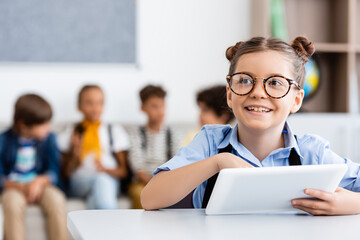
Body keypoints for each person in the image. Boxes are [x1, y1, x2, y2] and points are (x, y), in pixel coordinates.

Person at [141, 36, 360, 215]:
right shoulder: (210, 143)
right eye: (245, 80)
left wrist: (352, 204)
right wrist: (218, 162)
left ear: (296, 100)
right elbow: (149, 198)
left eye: (275, 83)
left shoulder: (313, 152)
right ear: (229, 93)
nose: (257, 92)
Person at [0, 94, 67, 240]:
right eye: (43, 124)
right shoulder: (3, 140)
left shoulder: (50, 139)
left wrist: (39, 182)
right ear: (24, 125)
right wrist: (20, 187)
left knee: (56, 199)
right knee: (11, 203)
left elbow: (54, 171)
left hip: (41, 185)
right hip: (13, 187)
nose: (48, 128)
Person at [59, 85, 130, 209]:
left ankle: (98, 225)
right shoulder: (71, 132)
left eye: (100, 103)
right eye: (89, 103)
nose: (95, 108)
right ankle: (113, 225)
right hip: (80, 182)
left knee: (98, 190)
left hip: (108, 179)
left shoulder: (113, 131)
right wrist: (74, 154)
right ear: (79, 107)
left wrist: (105, 170)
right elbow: (66, 174)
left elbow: (123, 171)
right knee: (101, 184)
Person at [128, 84, 181, 209]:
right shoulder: (136, 134)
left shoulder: (172, 134)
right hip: (142, 182)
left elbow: (177, 162)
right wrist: (153, 186)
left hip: (166, 180)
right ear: (142, 108)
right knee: (139, 194)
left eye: (162, 106)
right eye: (154, 106)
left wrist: (163, 184)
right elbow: (138, 167)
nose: (160, 111)